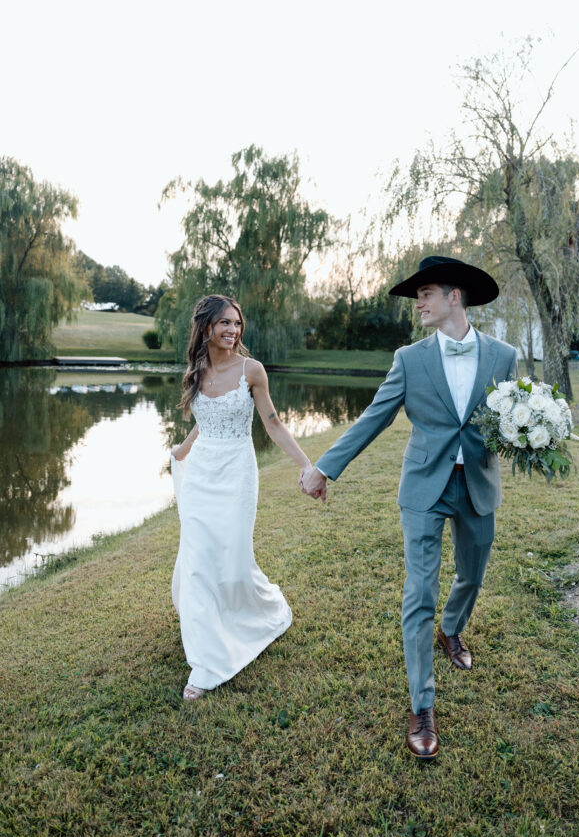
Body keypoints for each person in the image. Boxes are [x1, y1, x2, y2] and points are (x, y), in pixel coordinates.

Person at [300, 256, 517, 758]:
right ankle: (423, 706)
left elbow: (510, 414)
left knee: (472, 574)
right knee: (419, 591)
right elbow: (373, 418)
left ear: (454, 298)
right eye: (416, 296)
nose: (417, 303)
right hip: (424, 487)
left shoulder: (503, 356)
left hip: (478, 485)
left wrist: (536, 437)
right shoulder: (409, 359)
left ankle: (452, 630)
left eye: (425, 293)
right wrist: (325, 468)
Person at [171, 294, 316, 701]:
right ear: (206, 328)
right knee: (199, 559)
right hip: (201, 475)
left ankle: (261, 611)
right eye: (224, 324)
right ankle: (205, 663)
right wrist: (181, 453)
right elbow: (205, 421)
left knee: (233, 557)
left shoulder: (251, 371)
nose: (232, 330)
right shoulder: (196, 372)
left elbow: (273, 424)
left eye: (237, 323)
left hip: (236, 473)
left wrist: (306, 466)